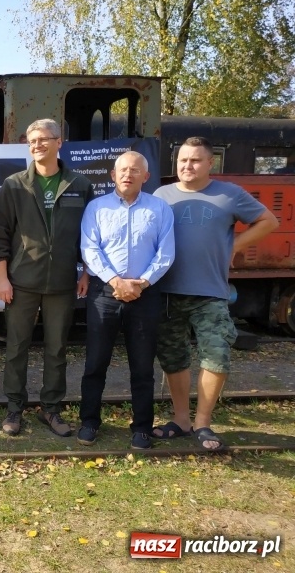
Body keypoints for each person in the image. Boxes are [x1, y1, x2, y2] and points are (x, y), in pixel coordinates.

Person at [153, 137, 278, 450]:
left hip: (210, 292)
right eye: (182, 160)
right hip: (167, 291)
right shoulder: (161, 195)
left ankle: (203, 423)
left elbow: (268, 220)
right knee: (173, 357)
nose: (187, 166)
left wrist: (235, 245)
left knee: (216, 357)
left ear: (211, 163)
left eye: (195, 160)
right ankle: (182, 420)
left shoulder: (229, 194)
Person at [0, 119, 94, 437]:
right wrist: (2, 278)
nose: (36, 145)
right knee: (16, 348)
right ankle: (14, 409)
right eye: (31, 140)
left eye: (43, 139)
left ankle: (51, 410)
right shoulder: (15, 185)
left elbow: (91, 235)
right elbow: (0, 234)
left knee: (56, 349)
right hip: (21, 281)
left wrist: (87, 271)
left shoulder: (79, 184)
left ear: (59, 142)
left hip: (62, 282)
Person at [77, 151, 175, 449]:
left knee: (142, 366)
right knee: (95, 362)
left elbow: (166, 253)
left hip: (144, 295)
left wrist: (141, 283)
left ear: (146, 176)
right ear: (112, 175)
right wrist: (116, 281)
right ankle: (89, 422)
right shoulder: (96, 208)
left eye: (135, 170)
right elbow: (90, 249)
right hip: (105, 294)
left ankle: (142, 427)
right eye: (122, 170)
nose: (127, 175)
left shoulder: (160, 209)